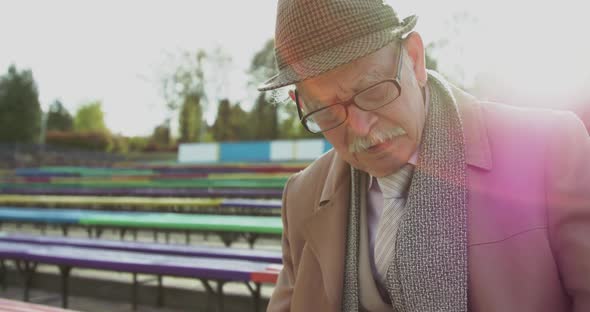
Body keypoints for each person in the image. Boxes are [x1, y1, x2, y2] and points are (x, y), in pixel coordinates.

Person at [257, 0, 590, 311]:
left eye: (374, 90)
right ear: (300, 103)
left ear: (415, 59)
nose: (359, 127)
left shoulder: (549, 149)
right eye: (326, 110)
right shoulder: (302, 197)